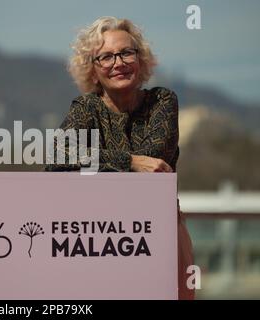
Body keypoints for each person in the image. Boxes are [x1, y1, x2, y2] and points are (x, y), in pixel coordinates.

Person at [45, 16, 195, 300]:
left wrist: (98, 163)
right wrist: (130, 162)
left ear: (140, 58)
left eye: (127, 52)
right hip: (101, 239)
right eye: (106, 57)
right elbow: (58, 156)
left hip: (161, 234)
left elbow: (155, 162)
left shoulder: (162, 102)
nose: (119, 63)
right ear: (93, 67)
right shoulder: (86, 108)